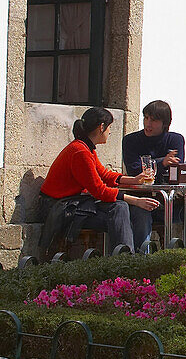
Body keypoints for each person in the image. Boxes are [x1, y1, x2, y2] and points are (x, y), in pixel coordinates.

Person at [37, 107, 159, 254]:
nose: (110, 132)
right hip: (60, 208)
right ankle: (125, 260)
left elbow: (104, 175)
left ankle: (132, 256)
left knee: (129, 210)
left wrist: (134, 180)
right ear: (102, 127)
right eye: (109, 128)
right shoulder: (80, 152)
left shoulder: (88, 149)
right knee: (120, 209)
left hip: (76, 203)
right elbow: (99, 190)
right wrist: (136, 200)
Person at [122, 100, 186, 248]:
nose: (148, 124)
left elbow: (176, 170)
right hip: (142, 200)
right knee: (141, 216)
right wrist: (162, 162)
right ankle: (141, 261)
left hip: (171, 201)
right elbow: (135, 171)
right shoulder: (131, 141)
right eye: (146, 118)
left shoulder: (175, 139)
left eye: (154, 120)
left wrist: (156, 165)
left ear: (165, 123)